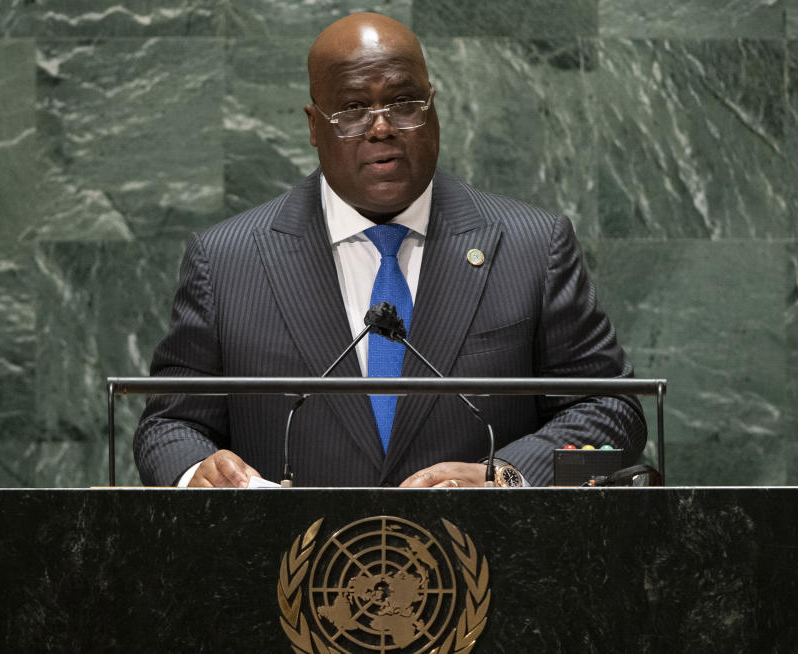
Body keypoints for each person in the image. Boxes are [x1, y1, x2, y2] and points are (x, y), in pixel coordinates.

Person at [133, 12, 646, 488]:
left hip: (489, 566)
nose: (381, 127)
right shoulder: (226, 261)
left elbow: (609, 407)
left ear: (433, 106)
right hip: (291, 571)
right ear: (314, 126)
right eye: (353, 108)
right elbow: (170, 423)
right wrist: (196, 470)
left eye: (404, 102)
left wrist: (506, 475)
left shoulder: (532, 246)